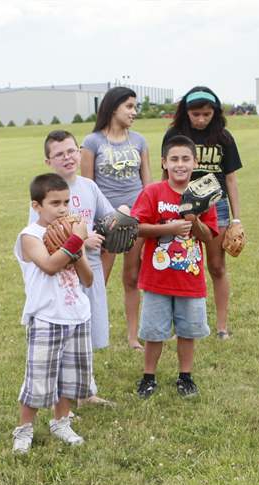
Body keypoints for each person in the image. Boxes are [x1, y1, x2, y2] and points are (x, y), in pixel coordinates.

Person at [12, 173, 95, 452]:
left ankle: (61, 421)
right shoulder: (29, 236)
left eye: (66, 202)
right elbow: (49, 264)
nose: (62, 209)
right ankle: (23, 430)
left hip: (76, 314)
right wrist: (75, 241)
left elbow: (88, 279)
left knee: (69, 377)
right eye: (55, 203)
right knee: (39, 377)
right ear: (36, 205)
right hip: (47, 316)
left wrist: (77, 246)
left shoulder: (72, 231)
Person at [130, 136, 218, 399]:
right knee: (154, 332)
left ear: (195, 162)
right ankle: (148, 376)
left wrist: (194, 220)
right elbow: (136, 227)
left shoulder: (204, 193)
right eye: (174, 159)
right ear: (164, 163)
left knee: (188, 330)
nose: (180, 165)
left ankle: (185, 376)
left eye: (186, 159)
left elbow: (208, 236)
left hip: (189, 279)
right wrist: (168, 228)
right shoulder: (153, 192)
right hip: (157, 278)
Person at [33, 129, 116, 406]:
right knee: (65, 331)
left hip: (88, 267)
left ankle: (86, 391)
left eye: (71, 151)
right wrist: (81, 237)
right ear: (48, 161)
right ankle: (66, 393)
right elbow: (41, 236)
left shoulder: (89, 186)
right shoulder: (46, 193)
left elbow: (107, 217)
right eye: (59, 154)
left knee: (87, 328)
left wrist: (121, 216)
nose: (67, 158)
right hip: (62, 274)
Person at [162, 86, 244, 339]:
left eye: (206, 114)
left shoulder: (223, 137)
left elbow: (230, 179)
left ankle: (221, 327)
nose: (200, 119)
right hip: (180, 204)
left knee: (217, 267)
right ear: (186, 112)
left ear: (214, 113)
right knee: (180, 265)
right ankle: (180, 326)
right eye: (195, 114)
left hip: (214, 205)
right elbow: (165, 173)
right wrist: (164, 207)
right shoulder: (174, 134)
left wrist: (236, 219)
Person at [80, 86, 151, 350]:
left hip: (135, 219)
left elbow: (147, 183)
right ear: (113, 108)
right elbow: (87, 188)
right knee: (98, 282)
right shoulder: (92, 142)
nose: (134, 112)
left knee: (132, 278)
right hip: (106, 222)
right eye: (129, 106)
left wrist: (144, 215)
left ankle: (133, 337)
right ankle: (88, 334)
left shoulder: (140, 141)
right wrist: (92, 228)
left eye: (135, 106)